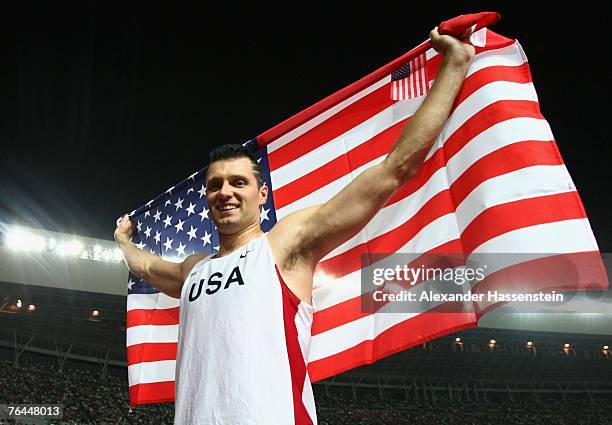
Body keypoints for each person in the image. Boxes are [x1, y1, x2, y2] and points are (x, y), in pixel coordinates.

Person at [114, 27, 475, 425]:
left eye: (238, 182)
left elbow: (394, 169)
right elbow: (145, 267)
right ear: (206, 198)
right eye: (215, 185)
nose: (226, 192)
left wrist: (454, 65)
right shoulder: (194, 270)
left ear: (261, 194)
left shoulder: (283, 245)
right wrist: (122, 241)